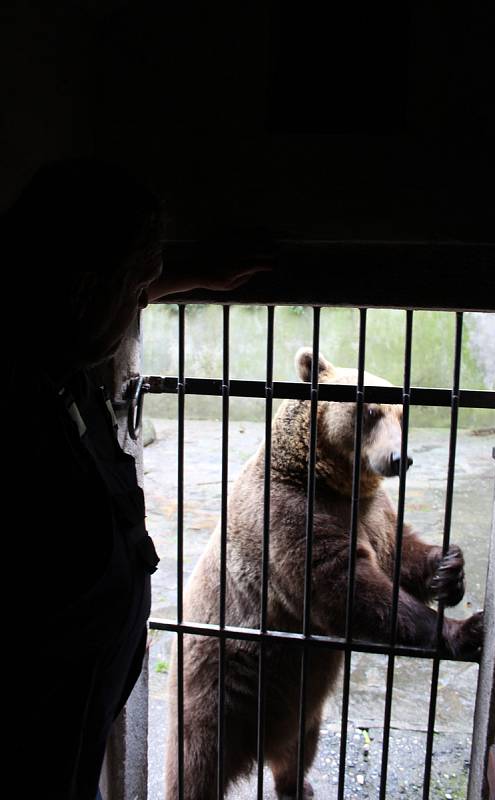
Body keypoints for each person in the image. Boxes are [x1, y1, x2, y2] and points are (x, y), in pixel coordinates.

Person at [4, 158, 269, 800]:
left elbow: (108, 288)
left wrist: (193, 276)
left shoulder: (50, 351)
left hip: (68, 738)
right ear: (83, 289)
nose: (139, 304)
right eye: (135, 288)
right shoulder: (19, 415)